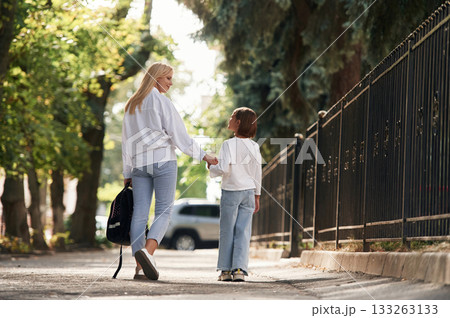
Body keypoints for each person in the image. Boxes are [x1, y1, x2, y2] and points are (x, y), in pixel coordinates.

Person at [122, 62, 218, 280]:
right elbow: (180, 137)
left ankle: (139, 265)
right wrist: (205, 156)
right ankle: (148, 252)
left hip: (138, 165)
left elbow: (126, 142)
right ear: (156, 78)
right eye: (168, 78)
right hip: (163, 160)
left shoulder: (131, 104)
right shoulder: (161, 101)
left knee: (139, 213)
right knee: (164, 210)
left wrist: (127, 171)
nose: (171, 83)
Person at [208, 107, 262, 282]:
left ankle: (225, 270)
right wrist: (257, 196)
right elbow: (257, 172)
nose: (229, 119)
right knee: (243, 231)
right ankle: (239, 269)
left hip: (231, 192)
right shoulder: (254, 147)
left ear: (238, 123)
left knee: (227, 231)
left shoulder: (228, 145)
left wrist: (210, 166)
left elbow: (222, 168)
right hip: (248, 193)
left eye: (232, 116)